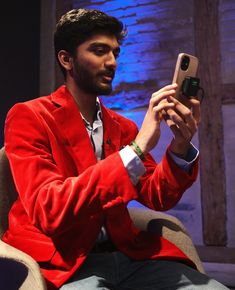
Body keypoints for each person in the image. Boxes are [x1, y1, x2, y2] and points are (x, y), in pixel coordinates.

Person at [3, 8, 228, 290]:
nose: (111, 62)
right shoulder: (29, 116)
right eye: (99, 51)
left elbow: (157, 196)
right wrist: (137, 148)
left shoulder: (121, 126)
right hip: (66, 262)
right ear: (66, 59)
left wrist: (180, 145)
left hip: (127, 255)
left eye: (115, 53)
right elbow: (49, 209)